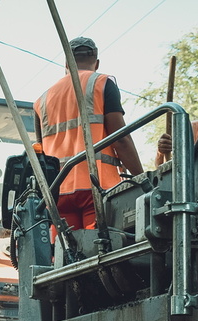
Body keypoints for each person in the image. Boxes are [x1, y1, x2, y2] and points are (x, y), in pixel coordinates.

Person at [34, 36, 144, 230]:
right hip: (97, 186)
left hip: (57, 192)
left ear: (66, 63)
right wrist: (142, 180)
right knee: (99, 253)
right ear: (97, 62)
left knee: (65, 255)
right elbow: (121, 140)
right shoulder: (101, 84)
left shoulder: (42, 100)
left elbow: (40, 153)